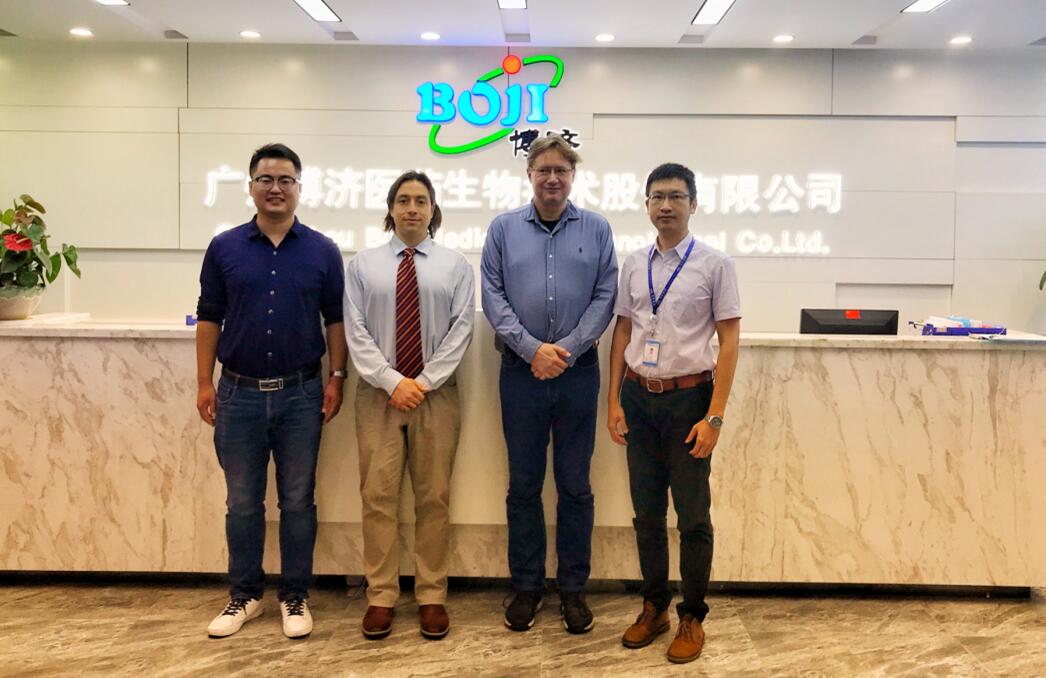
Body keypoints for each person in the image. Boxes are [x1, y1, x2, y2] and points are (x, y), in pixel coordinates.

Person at [195, 143, 348, 639]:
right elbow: (209, 315)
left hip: (302, 394)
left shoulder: (323, 250)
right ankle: (244, 596)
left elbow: (336, 320)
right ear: (251, 186)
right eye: (266, 179)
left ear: (299, 187)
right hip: (237, 393)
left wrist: (337, 376)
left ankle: (295, 595)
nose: (275, 188)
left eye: (285, 180)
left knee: (298, 501)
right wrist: (203, 382)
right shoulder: (225, 248)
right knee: (242, 502)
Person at [480, 134, 618, 634]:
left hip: (578, 374)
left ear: (573, 176)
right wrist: (532, 350)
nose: (553, 178)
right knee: (523, 484)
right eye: (544, 170)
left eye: (561, 170)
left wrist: (567, 350)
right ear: (530, 176)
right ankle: (527, 587)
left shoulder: (597, 229)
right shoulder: (503, 229)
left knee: (575, 485)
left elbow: (606, 294)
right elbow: (492, 295)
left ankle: (573, 590)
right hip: (521, 373)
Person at [606, 162, 741, 664]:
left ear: (694, 204)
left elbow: (729, 340)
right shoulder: (633, 263)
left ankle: (692, 615)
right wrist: (614, 400)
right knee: (646, 514)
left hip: (689, 401)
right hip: (639, 398)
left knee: (692, 516)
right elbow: (623, 332)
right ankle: (654, 606)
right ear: (646, 204)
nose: (666, 205)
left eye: (676, 197)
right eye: (658, 196)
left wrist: (715, 416)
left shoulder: (714, 264)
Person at [344, 171, 475, 640]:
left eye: (421, 200)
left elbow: (462, 329)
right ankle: (380, 596)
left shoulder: (456, 266)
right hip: (378, 395)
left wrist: (422, 382)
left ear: (433, 209)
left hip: (436, 395)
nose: (412, 208)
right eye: (403, 200)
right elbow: (355, 329)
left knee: (433, 497)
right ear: (391, 208)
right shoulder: (363, 265)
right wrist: (391, 381)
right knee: (377, 496)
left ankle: (431, 595)